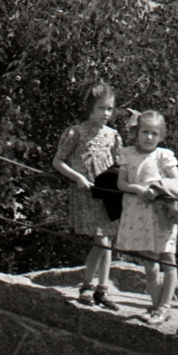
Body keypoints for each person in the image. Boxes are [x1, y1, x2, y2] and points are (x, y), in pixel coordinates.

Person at [53, 81, 122, 309]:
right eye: (101, 108)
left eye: (110, 109)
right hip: (86, 193)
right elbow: (58, 161)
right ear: (90, 108)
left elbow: (119, 164)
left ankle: (102, 290)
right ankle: (86, 286)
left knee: (108, 241)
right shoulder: (76, 132)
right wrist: (78, 177)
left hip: (108, 193)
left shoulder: (113, 135)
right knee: (101, 240)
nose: (106, 113)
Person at [116, 109, 178, 325]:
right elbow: (121, 183)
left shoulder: (163, 156)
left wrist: (157, 188)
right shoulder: (127, 153)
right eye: (145, 132)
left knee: (168, 259)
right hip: (138, 214)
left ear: (162, 136)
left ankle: (163, 307)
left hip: (160, 215)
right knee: (149, 265)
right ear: (136, 132)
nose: (149, 137)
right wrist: (138, 189)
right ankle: (157, 306)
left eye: (154, 134)